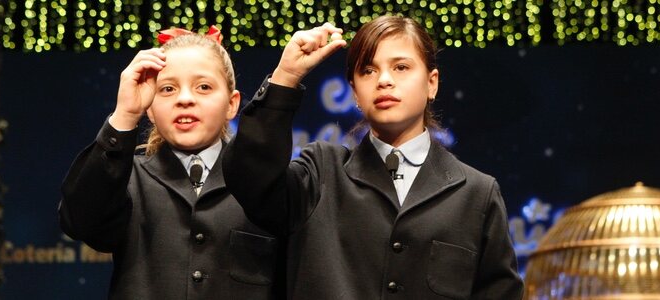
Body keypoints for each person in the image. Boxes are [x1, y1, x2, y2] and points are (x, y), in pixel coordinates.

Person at [222, 16, 523, 299]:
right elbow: (250, 180)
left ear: (432, 83)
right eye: (368, 70)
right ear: (354, 91)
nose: (384, 81)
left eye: (401, 67)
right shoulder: (321, 173)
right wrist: (286, 77)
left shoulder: (476, 194)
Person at [59, 27, 282, 299]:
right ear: (150, 108)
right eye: (167, 89)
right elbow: (80, 223)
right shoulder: (126, 177)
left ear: (232, 104)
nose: (185, 99)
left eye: (203, 87)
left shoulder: (263, 183)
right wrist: (125, 115)